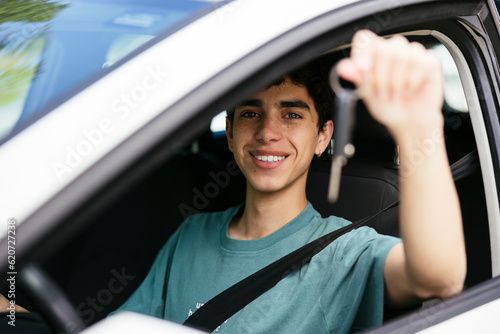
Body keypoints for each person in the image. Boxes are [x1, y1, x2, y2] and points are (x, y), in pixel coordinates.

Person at [3, 30, 467, 333]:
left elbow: (440, 277)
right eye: (250, 112)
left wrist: (419, 125)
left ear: (324, 135)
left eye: (291, 113)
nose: (267, 131)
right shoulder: (191, 233)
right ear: (228, 133)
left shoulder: (347, 253)